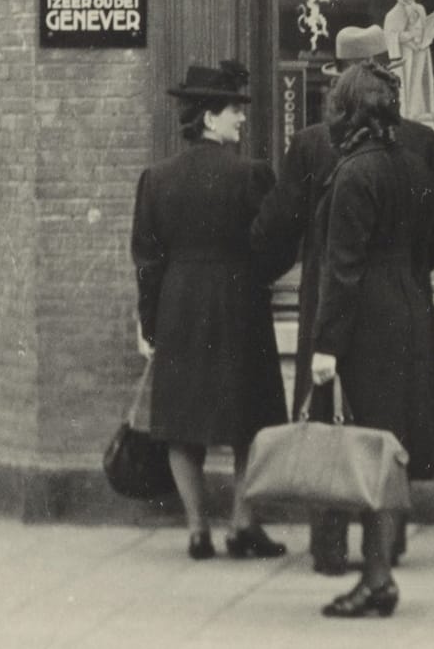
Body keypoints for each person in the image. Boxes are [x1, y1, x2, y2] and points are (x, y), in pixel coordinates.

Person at [251, 26, 434, 577]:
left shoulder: (314, 143)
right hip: (404, 294)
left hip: (332, 292)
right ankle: (386, 544)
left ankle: (328, 546)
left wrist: (259, 270)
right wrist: (411, 268)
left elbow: (281, 223)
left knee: (327, 419)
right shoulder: (419, 144)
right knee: (390, 417)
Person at [307, 61, 434, 618]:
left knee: (367, 450)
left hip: (367, 321)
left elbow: (341, 269)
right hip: (408, 306)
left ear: (345, 111)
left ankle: (376, 578)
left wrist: (326, 346)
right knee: (389, 448)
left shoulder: (353, 173)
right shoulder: (411, 163)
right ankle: (380, 569)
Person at [130, 60, 288, 562]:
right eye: (233, 111)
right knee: (251, 417)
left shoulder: (155, 179)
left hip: (179, 304)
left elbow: (147, 259)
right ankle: (243, 526)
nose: (242, 119)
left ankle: (197, 530)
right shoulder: (251, 175)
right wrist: (256, 274)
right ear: (208, 118)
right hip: (239, 303)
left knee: (181, 420)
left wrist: (150, 322)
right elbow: (277, 244)